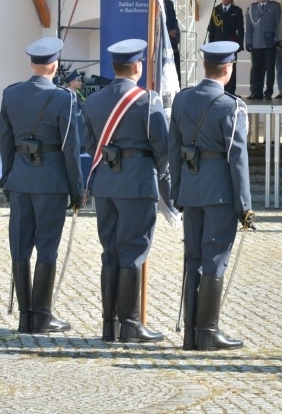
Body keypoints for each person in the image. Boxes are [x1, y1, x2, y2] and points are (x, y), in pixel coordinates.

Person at [169, 41, 255, 351]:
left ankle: (191, 332)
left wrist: (177, 190)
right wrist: (244, 205)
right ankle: (207, 331)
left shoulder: (182, 100)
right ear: (228, 69)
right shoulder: (231, 106)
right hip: (219, 192)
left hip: (190, 189)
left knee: (193, 259)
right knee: (214, 260)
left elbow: (174, 149)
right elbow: (238, 158)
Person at [83, 39, 168, 343]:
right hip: (137, 183)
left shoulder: (93, 101)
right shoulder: (148, 101)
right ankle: (130, 325)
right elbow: (162, 148)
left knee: (110, 253)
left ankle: (110, 325)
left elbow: (91, 146)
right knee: (132, 253)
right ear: (137, 66)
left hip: (105, 184)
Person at [0, 37, 84, 334]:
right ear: (55, 65)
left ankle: (25, 316)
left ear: (31, 64)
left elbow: (6, 144)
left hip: (20, 180)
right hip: (51, 183)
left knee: (20, 248)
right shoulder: (64, 98)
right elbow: (71, 150)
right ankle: (42, 315)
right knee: (47, 248)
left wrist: (8, 179)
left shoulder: (11, 94)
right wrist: (78, 190)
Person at [245, 0, 281, 100]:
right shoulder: (252, 7)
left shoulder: (275, 6)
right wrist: (248, 42)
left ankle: (268, 92)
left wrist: (277, 39)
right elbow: (249, 27)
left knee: (270, 68)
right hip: (256, 43)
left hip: (269, 43)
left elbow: (278, 25)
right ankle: (257, 92)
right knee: (256, 69)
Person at [206, 0, 244, 95]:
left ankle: (231, 90)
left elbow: (240, 29)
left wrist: (240, 44)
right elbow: (212, 28)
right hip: (217, 43)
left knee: (231, 66)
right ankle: (220, 90)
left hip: (231, 43)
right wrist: (210, 44)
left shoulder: (237, 11)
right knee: (218, 67)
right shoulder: (216, 9)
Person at [161, 0, 181, 82]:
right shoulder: (156, 3)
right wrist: (167, 31)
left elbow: (174, 19)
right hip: (162, 40)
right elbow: (158, 22)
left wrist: (175, 30)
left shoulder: (169, 3)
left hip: (172, 41)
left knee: (176, 68)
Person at [64, 69, 87, 148]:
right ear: (72, 83)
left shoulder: (76, 95)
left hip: (80, 138)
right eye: (78, 80)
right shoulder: (67, 97)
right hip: (74, 139)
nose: (81, 82)